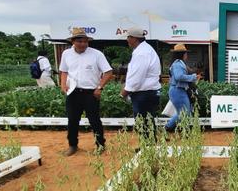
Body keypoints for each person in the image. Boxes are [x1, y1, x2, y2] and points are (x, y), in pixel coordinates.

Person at [59, 28, 113, 156]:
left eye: (85, 41)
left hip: (91, 93)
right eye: (79, 41)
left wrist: (99, 88)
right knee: (72, 120)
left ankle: (100, 145)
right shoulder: (66, 54)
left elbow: (108, 72)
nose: (83, 44)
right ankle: (72, 145)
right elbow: (64, 71)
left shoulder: (96, 54)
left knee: (94, 120)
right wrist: (62, 85)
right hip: (73, 92)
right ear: (73, 41)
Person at [119, 27, 161, 135]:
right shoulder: (144, 50)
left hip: (144, 93)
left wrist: (125, 91)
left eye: (128, 37)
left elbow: (137, 76)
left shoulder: (141, 53)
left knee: (143, 122)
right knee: (147, 121)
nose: (127, 40)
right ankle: (149, 145)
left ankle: (147, 147)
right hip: (148, 92)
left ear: (134, 38)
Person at [165, 44, 199, 132]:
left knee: (184, 112)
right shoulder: (178, 64)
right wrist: (192, 77)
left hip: (178, 90)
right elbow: (178, 76)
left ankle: (183, 130)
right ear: (182, 54)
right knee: (184, 113)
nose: (187, 55)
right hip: (178, 90)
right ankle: (168, 128)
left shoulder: (178, 64)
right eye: (186, 53)